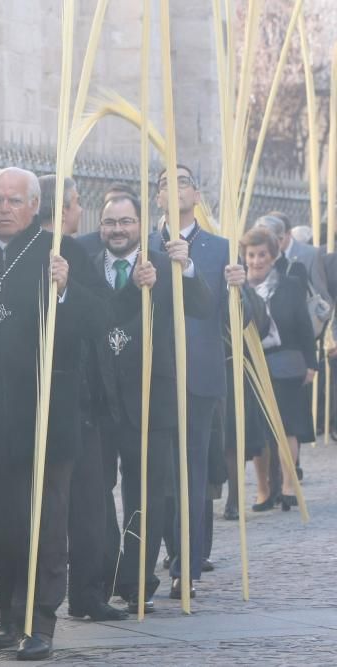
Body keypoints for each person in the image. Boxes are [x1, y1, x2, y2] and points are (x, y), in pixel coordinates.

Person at [0, 167, 107, 661]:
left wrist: (65, 291)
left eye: (14, 200)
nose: (4, 208)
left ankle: (41, 620)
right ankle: (9, 613)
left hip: (47, 412)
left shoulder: (64, 252)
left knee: (45, 522)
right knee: (1, 523)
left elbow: (97, 322)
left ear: (35, 205)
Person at [89, 192, 212, 610]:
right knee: (97, 490)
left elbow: (203, 304)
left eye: (125, 221)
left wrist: (188, 266)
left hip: (152, 396)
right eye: (110, 222)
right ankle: (102, 572)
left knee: (147, 493)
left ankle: (138, 580)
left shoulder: (162, 264)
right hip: (101, 400)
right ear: (100, 225)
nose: (117, 230)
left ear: (141, 224)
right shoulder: (87, 267)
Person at [39, 175, 126, 622]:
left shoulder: (74, 255)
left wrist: (70, 288)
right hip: (60, 397)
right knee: (72, 502)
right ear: (67, 207)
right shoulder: (59, 248)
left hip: (83, 399)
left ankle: (87, 592)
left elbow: (100, 311)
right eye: (76, 204)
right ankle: (61, 595)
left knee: (90, 501)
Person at [151, 164, 233, 600]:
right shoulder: (146, 244)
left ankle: (188, 564)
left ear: (197, 194)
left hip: (199, 373)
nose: (174, 187)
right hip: (154, 373)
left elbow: (241, 316)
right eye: (165, 183)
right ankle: (165, 552)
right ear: (158, 198)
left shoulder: (221, 248)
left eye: (182, 180)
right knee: (158, 475)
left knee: (194, 472)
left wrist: (242, 290)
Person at [241, 226, 317, 513]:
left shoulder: (290, 285)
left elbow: (304, 328)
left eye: (262, 255)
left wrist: (311, 364)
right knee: (259, 432)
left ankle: (288, 485)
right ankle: (263, 489)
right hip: (253, 365)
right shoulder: (239, 288)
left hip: (286, 365)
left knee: (287, 426)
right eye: (251, 255)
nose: (257, 260)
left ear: (273, 256)